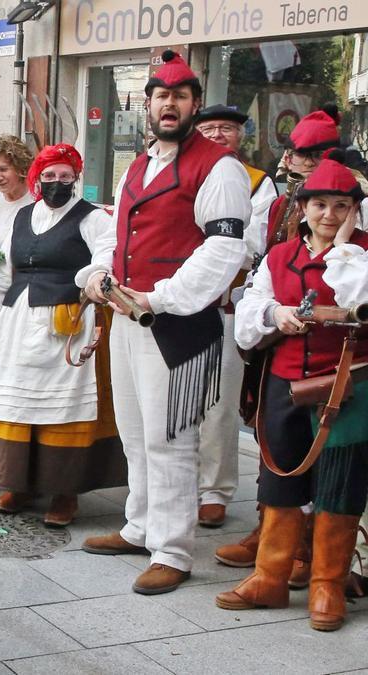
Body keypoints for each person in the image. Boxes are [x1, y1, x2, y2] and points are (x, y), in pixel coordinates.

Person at [79, 51, 251, 595]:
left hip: (177, 324)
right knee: (135, 433)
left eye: (179, 96)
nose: (168, 104)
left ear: (195, 105)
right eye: (160, 96)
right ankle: (141, 524)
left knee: (171, 437)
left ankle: (173, 549)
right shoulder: (137, 164)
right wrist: (99, 273)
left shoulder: (219, 167)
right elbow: (115, 234)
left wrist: (161, 298)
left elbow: (225, 250)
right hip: (129, 316)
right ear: (147, 104)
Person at [217, 153, 368, 632]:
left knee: (340, 486)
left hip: (348, 389)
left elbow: (356, 297)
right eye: (319, 204)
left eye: (341, 206)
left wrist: (344, 249)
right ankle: (270, 577)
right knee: (279, 479)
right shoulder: (280, 255)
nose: (328, 215)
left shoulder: (363, 253)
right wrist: (273, 316)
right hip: (283, 383)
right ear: (302, 206)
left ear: (354, 211)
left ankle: (326, 585)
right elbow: (249, 315)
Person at [0, 144, 125, 527]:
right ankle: (20, 484)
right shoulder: (24, 215)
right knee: (18, 404)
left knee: (63, 407)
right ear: (38, 180)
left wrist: (90, 280)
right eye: (49, 177)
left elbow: (106, 258)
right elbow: (2, 270)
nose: (56, 183)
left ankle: (65, 493)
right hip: (18, 319)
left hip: (66, 321)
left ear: (75, 179)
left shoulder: (92, 218)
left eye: (64, 176)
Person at [192, 104, 279, 529]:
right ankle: (177, 484)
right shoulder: (183, 172)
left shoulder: (258, 182)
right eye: (208, 128)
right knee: (173, 400)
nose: (216, 135)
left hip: (224, 303)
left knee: (218, 402)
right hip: (174, 303)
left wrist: (203, 257)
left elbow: (252, 244)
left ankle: (215, 489)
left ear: (240, 135)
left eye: (225, 128)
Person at [265, 105, 342, 252]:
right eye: (300, 154)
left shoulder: (354, 204)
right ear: (288, 160)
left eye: (317, 155)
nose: (308, 163)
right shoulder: (278, 205)